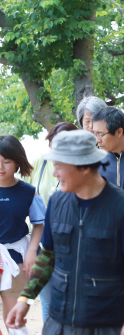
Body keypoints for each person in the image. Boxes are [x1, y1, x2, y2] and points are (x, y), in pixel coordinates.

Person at [6, 130, 124, 335]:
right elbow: (48, 256)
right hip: (59, 322)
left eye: (59, 166)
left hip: (108, 324)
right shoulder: (56, 203)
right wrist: (25, 299)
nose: (54, 173)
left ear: (83, 166)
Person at [34, 122, 79, 324]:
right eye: (54, 144)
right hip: (44, 245)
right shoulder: (40, 164)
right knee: (49, 305)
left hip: (76, 247)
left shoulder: (85, 169)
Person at [0, 136, 45, 330]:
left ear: (17, 161)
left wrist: (32, 250)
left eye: (6, 162)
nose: (0, 167)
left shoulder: (29, 192)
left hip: (15, 260)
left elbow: (39, 223)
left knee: (14, 319)